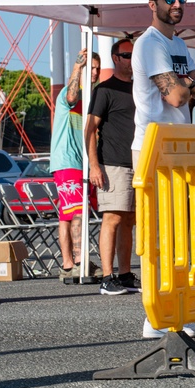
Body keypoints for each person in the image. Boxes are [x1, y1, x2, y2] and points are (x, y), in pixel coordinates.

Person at [131, 0, 195, 338]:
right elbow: (178, 96)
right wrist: (191, 84)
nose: (177, 4)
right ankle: (156, 317)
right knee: (161, 235)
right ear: (153, 4)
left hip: (179, 145)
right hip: (153, 145)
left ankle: (175, 309)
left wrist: (189, 85)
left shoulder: (178, 44)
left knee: (182, 234)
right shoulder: (149, 44)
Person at [85, 39, 139, 296]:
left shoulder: (141, 88)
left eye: (134, 54)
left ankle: (125, 274)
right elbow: (90, 129)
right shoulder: (104, 90)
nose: (131, 59)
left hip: (138, 162)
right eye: (127, 55)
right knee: (113, 217)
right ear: (116, 58)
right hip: (112, 163)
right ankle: (107, 277)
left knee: (129, 220)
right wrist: (94, 166)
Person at [50, 48, 101, 282]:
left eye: (97, 69)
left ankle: (68, 263)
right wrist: (77, 68)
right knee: (77, 210)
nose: (95, 73)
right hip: (67, 160)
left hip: (80, 162)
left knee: (66, 215)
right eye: (92, 68)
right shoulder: (69, 95)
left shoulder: (91, 100)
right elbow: (71, 97)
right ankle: (79, 262)